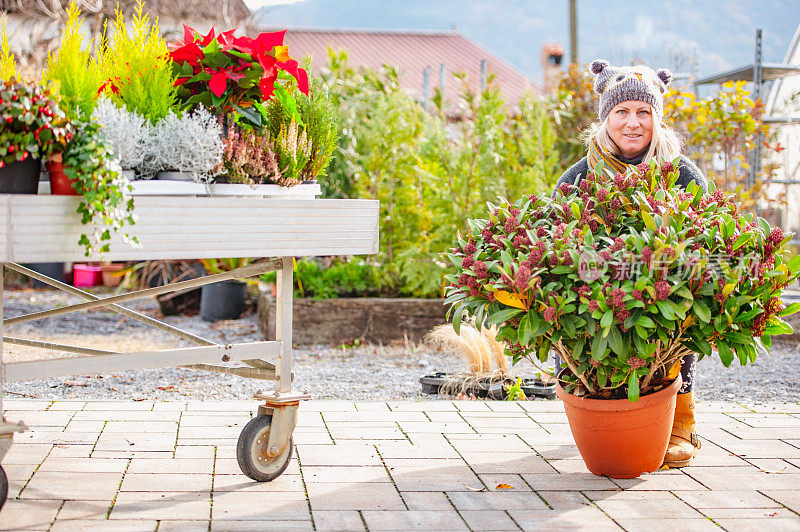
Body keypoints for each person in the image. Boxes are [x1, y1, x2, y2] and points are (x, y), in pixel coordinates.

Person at [553, 59, 708, 468]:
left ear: (657, 118)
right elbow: (556, 242)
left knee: (687, 302)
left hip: (663, 288)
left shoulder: (683, 176)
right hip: (596, 291)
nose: (633, 123)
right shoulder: (578, 177)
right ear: (606, 118)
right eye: (621, 112)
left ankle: (681, 420)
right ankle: (601, 411)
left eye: (644, 112)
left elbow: (707, 241)